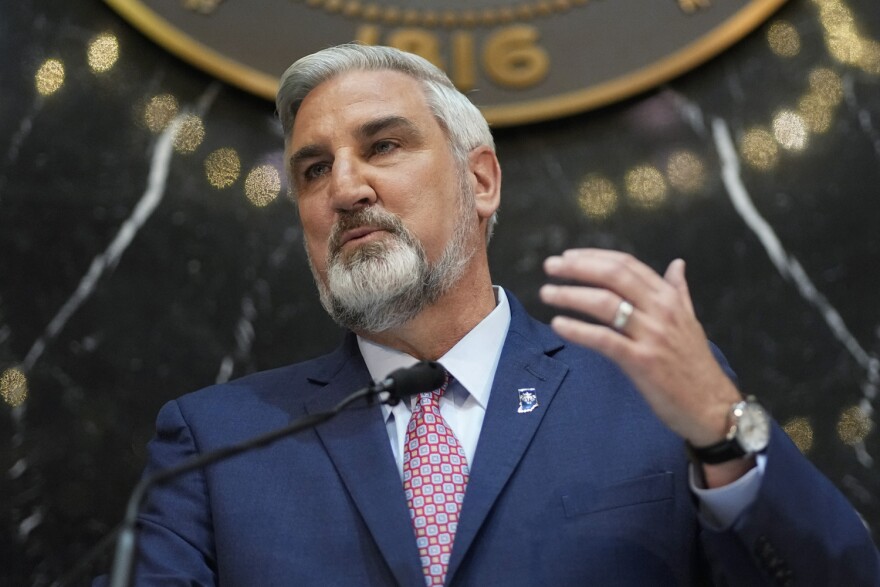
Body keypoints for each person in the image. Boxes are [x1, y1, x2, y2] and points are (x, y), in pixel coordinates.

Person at [115, 44, 879, 585]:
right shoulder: (216, 445)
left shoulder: (648, 397)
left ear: (480, 181)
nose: (344, 188)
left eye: (383, 145)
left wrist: (723, 428)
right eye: (314, 169)